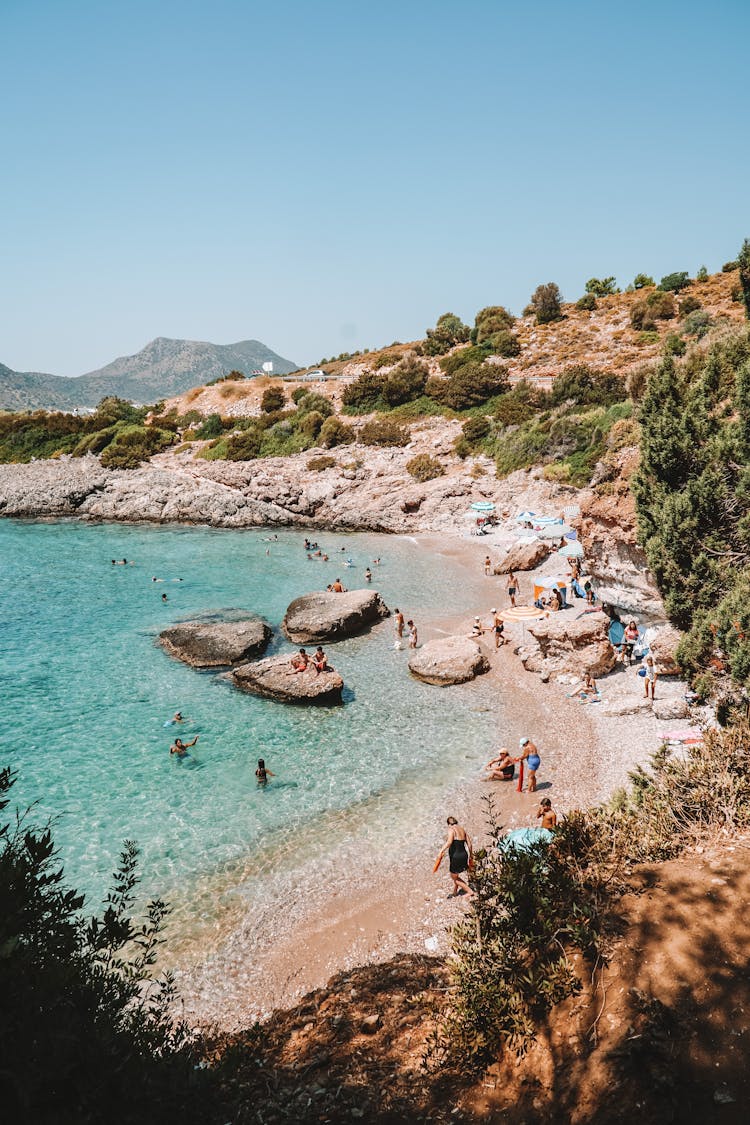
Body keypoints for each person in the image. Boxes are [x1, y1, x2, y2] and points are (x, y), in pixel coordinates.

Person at [434, 816, 474, 897]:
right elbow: (469, 844)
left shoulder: (451, 829)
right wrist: (471, 856)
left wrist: (441, 851)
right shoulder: (462, 829)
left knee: (454, 878)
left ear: (449, 824)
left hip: (456, 856)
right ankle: (455, 891)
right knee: (456, 874)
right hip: (464, 855)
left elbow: (449, 842)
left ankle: (469, 891)